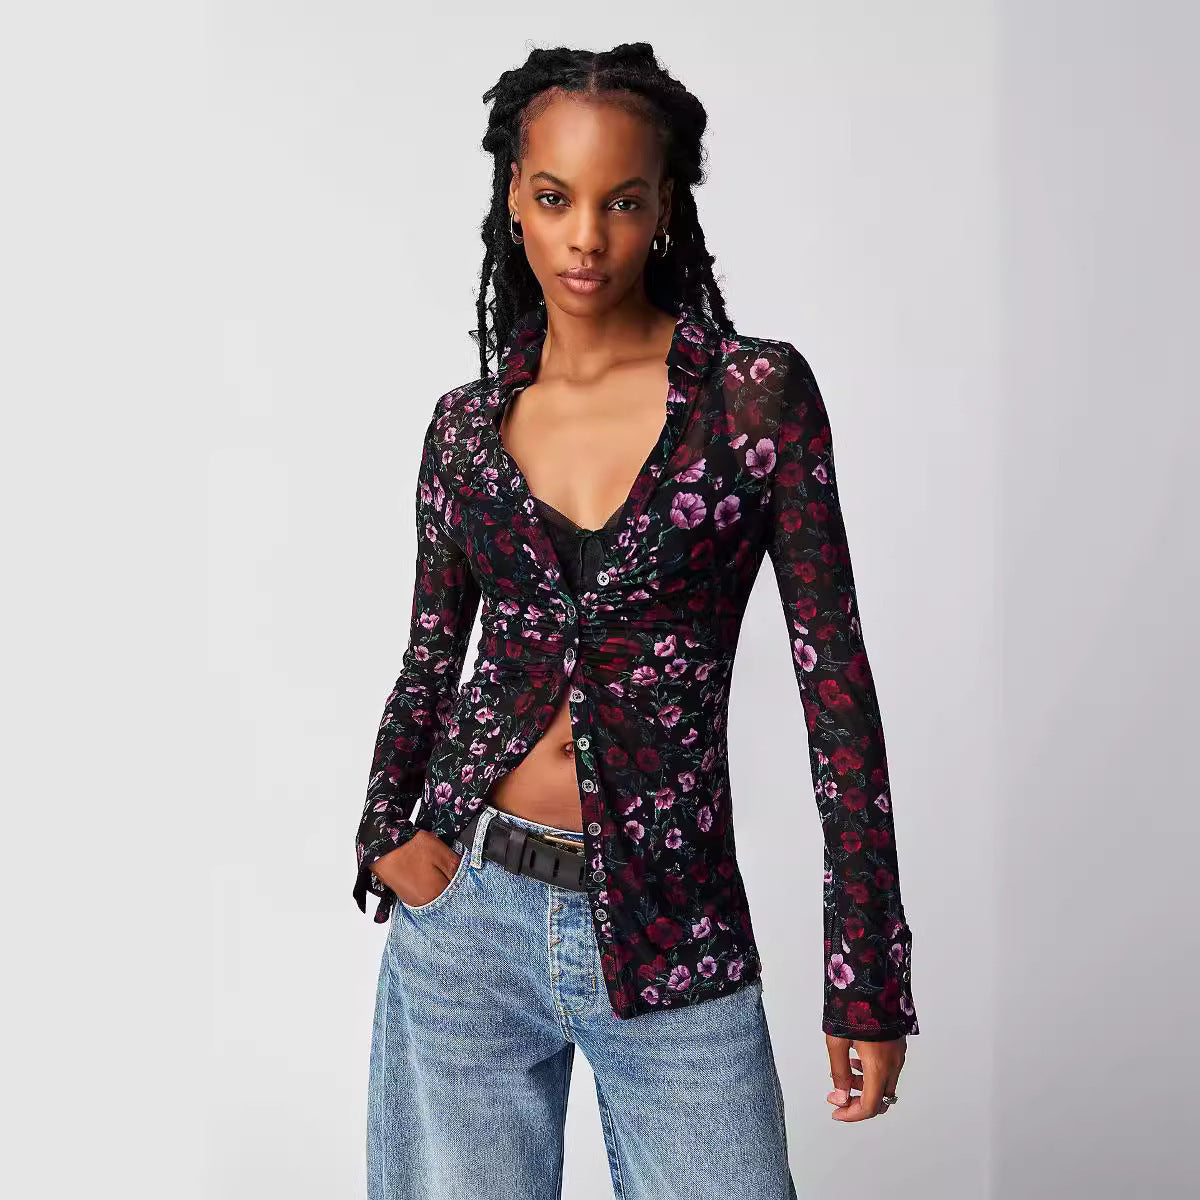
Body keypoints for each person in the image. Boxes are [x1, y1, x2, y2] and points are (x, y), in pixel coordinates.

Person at [353, 41, 918, 1200]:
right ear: (515, 196)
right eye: (555, 197)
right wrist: (382, 836)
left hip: (676, 925)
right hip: (465, 919)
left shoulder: (753, 402)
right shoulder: (464, 427)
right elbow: (430, 659)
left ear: (665, 208)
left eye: (621, 201)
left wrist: (866, 974)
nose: (586, 238)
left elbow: (836, 690)